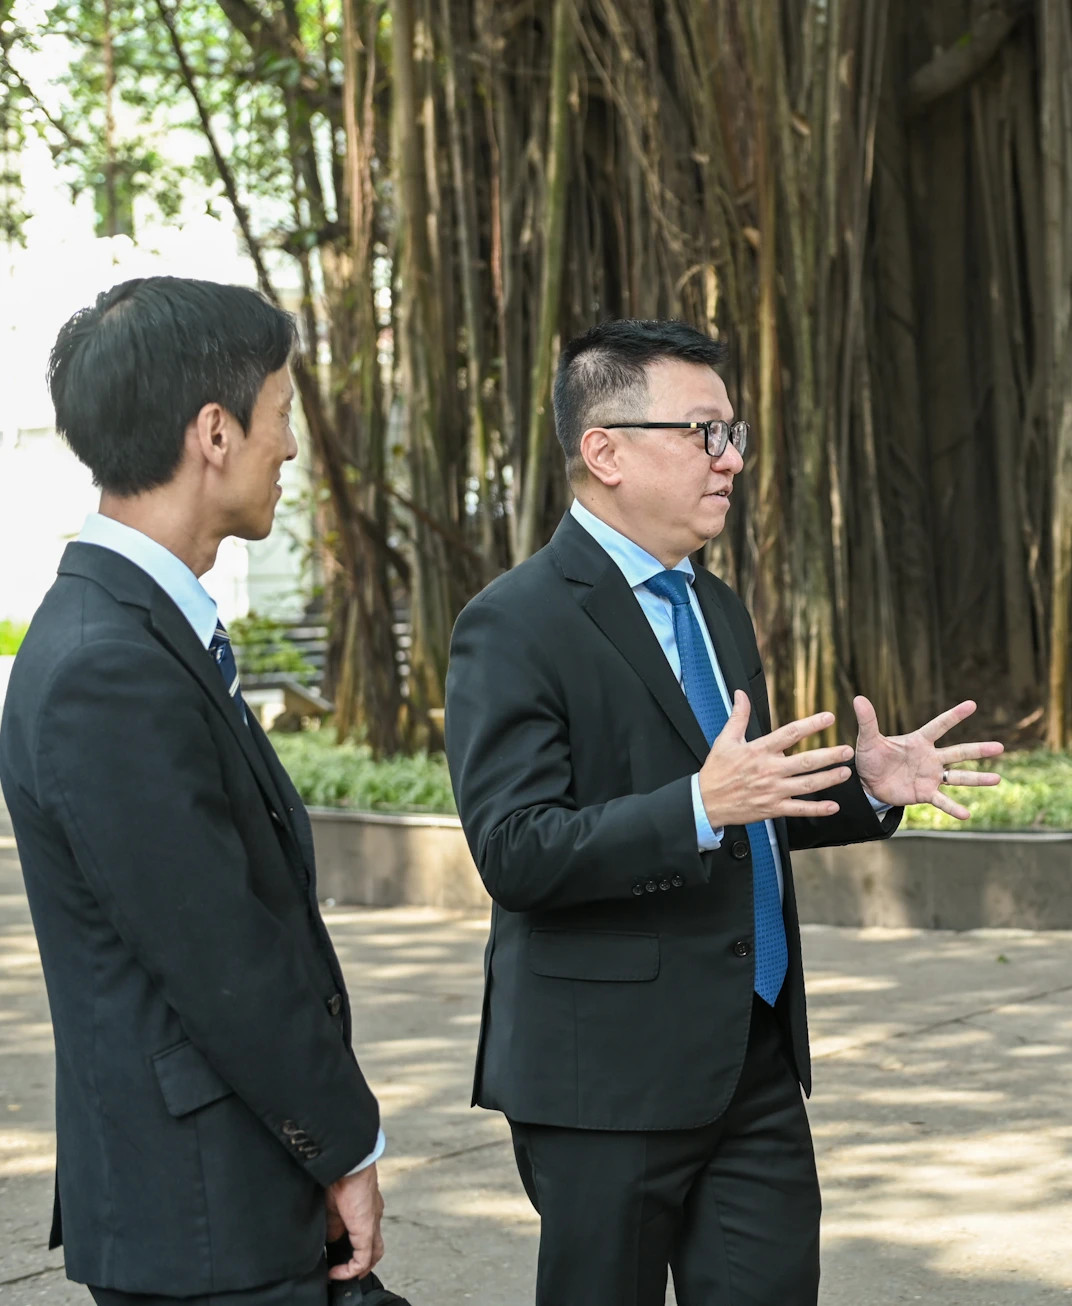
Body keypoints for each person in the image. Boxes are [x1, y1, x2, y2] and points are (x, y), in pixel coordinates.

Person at [443, 318, 1004, 1306]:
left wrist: (866, 785)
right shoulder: (514, 621)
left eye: (733, 431)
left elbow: (749, 801)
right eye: (704, 433)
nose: (732, 457)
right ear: (604, 451)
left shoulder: (716, 605)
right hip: (605, 1079)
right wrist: (697, 805)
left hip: (750, 1057)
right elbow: (516, 851)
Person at [0, 278, 390, 1304]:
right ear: (214, 431)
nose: (292, 449)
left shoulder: (137, 632)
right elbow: (221, 957)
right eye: (281, 416)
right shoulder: (106, 665)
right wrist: (345, 1145)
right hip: (203, 1216)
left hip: (221, 1198)